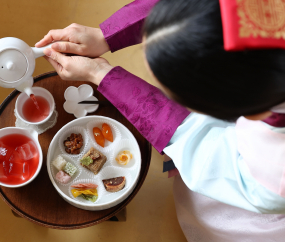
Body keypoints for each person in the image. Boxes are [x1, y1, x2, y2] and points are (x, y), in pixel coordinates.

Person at [36, 0, 285, 241]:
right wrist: (105, 35)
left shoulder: (273, 173)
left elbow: (201, 148)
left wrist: (99, 73)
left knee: (212, 216)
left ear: (240, 113)